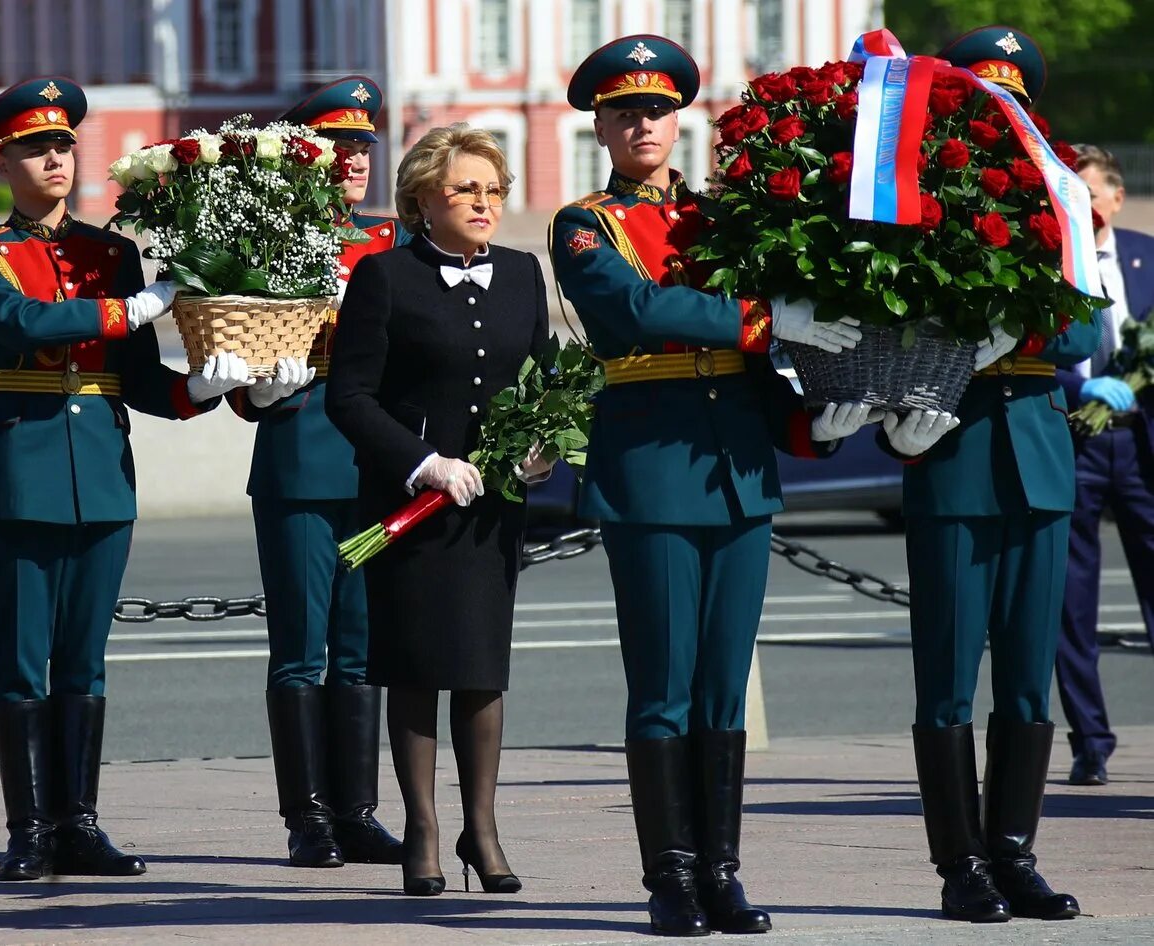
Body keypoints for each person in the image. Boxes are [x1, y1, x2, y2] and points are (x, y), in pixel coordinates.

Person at [550, 35, 873, 936]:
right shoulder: (584, 223)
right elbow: (636, 312)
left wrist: (816, 425)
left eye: (656, 110)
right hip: (649, 469)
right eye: (625, 112)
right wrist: (769, 317)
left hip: (736, 469)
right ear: (603, 128)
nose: (643, 124)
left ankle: (722, 870)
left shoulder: (722, 216)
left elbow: (763, 369)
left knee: (723, 687)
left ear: (677, 120)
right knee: (663, 684)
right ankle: (670, 875)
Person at [0, 76, 252, 882]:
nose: (55, 157)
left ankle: (78, 823)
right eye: (36, 147)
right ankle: (28, 830)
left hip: (102, 481)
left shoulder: (110, 254)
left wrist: (208, 388)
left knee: (84, 662)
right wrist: (131, 309)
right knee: (20, 662)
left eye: (62, 145)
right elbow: (21, 327)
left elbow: (141, 379)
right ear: (4, 161)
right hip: (21, 477)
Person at [878, 25, 1096, 924]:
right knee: (946, 674)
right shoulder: (912, 196)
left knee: (1025, 678)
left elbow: (1085, 329)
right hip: (954, 448)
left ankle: (1014, 852)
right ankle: (959, 863)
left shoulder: (1056, 200)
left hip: (1038, 460)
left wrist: (1020, 330)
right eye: (981, 97)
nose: (999, 114)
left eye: (1011, 97)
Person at [326, 124, 554, 898]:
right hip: (412, 507)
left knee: (483, 671)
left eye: (494, 191)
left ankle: (481, 828)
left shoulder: (525, 273)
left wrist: (543, 450)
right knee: (417, 666)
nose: (484, 204)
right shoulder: (385, 277)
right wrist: (423, 464)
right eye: (467, 190)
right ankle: (422, 828)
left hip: (493, 509)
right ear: (425, 197)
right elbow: (349, 397)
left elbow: (546, 384)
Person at [227, 75, 410, 869]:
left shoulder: (393, 240)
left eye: (364, 146)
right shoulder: (263, 241)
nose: (355, 160)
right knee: (302, 649)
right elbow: (237, 375)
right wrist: (265, 378)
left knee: (363, 646)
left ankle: (358, 811)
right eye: (338, 146)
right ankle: (307, 818)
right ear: (304, 155)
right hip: (301, 463)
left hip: (374, 470)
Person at [1054, 144, 1154, 787]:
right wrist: (1075, 386)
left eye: (1091, 195)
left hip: (1141, 444)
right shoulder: (1053, 263)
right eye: (1072, 197)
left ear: (1116, 198)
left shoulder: (1146, 258)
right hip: (1075, 441)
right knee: (1070, 604)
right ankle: (1090, 741)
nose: (1084, 208)